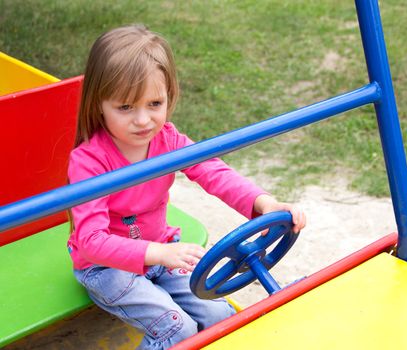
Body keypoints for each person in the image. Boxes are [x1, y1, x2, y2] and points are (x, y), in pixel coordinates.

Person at [67, 24, 306, 350]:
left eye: (154, 103)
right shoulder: (89, 162)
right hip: (107, 268)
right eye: (125, 107)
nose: (143, 120)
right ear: (98, 104)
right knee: (176, 329)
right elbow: (91, 242)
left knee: (219, 316)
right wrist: (160, 253)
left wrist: (263, 202)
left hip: (163, 253)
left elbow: (213, 171)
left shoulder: (167, 139)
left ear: (169, 96)